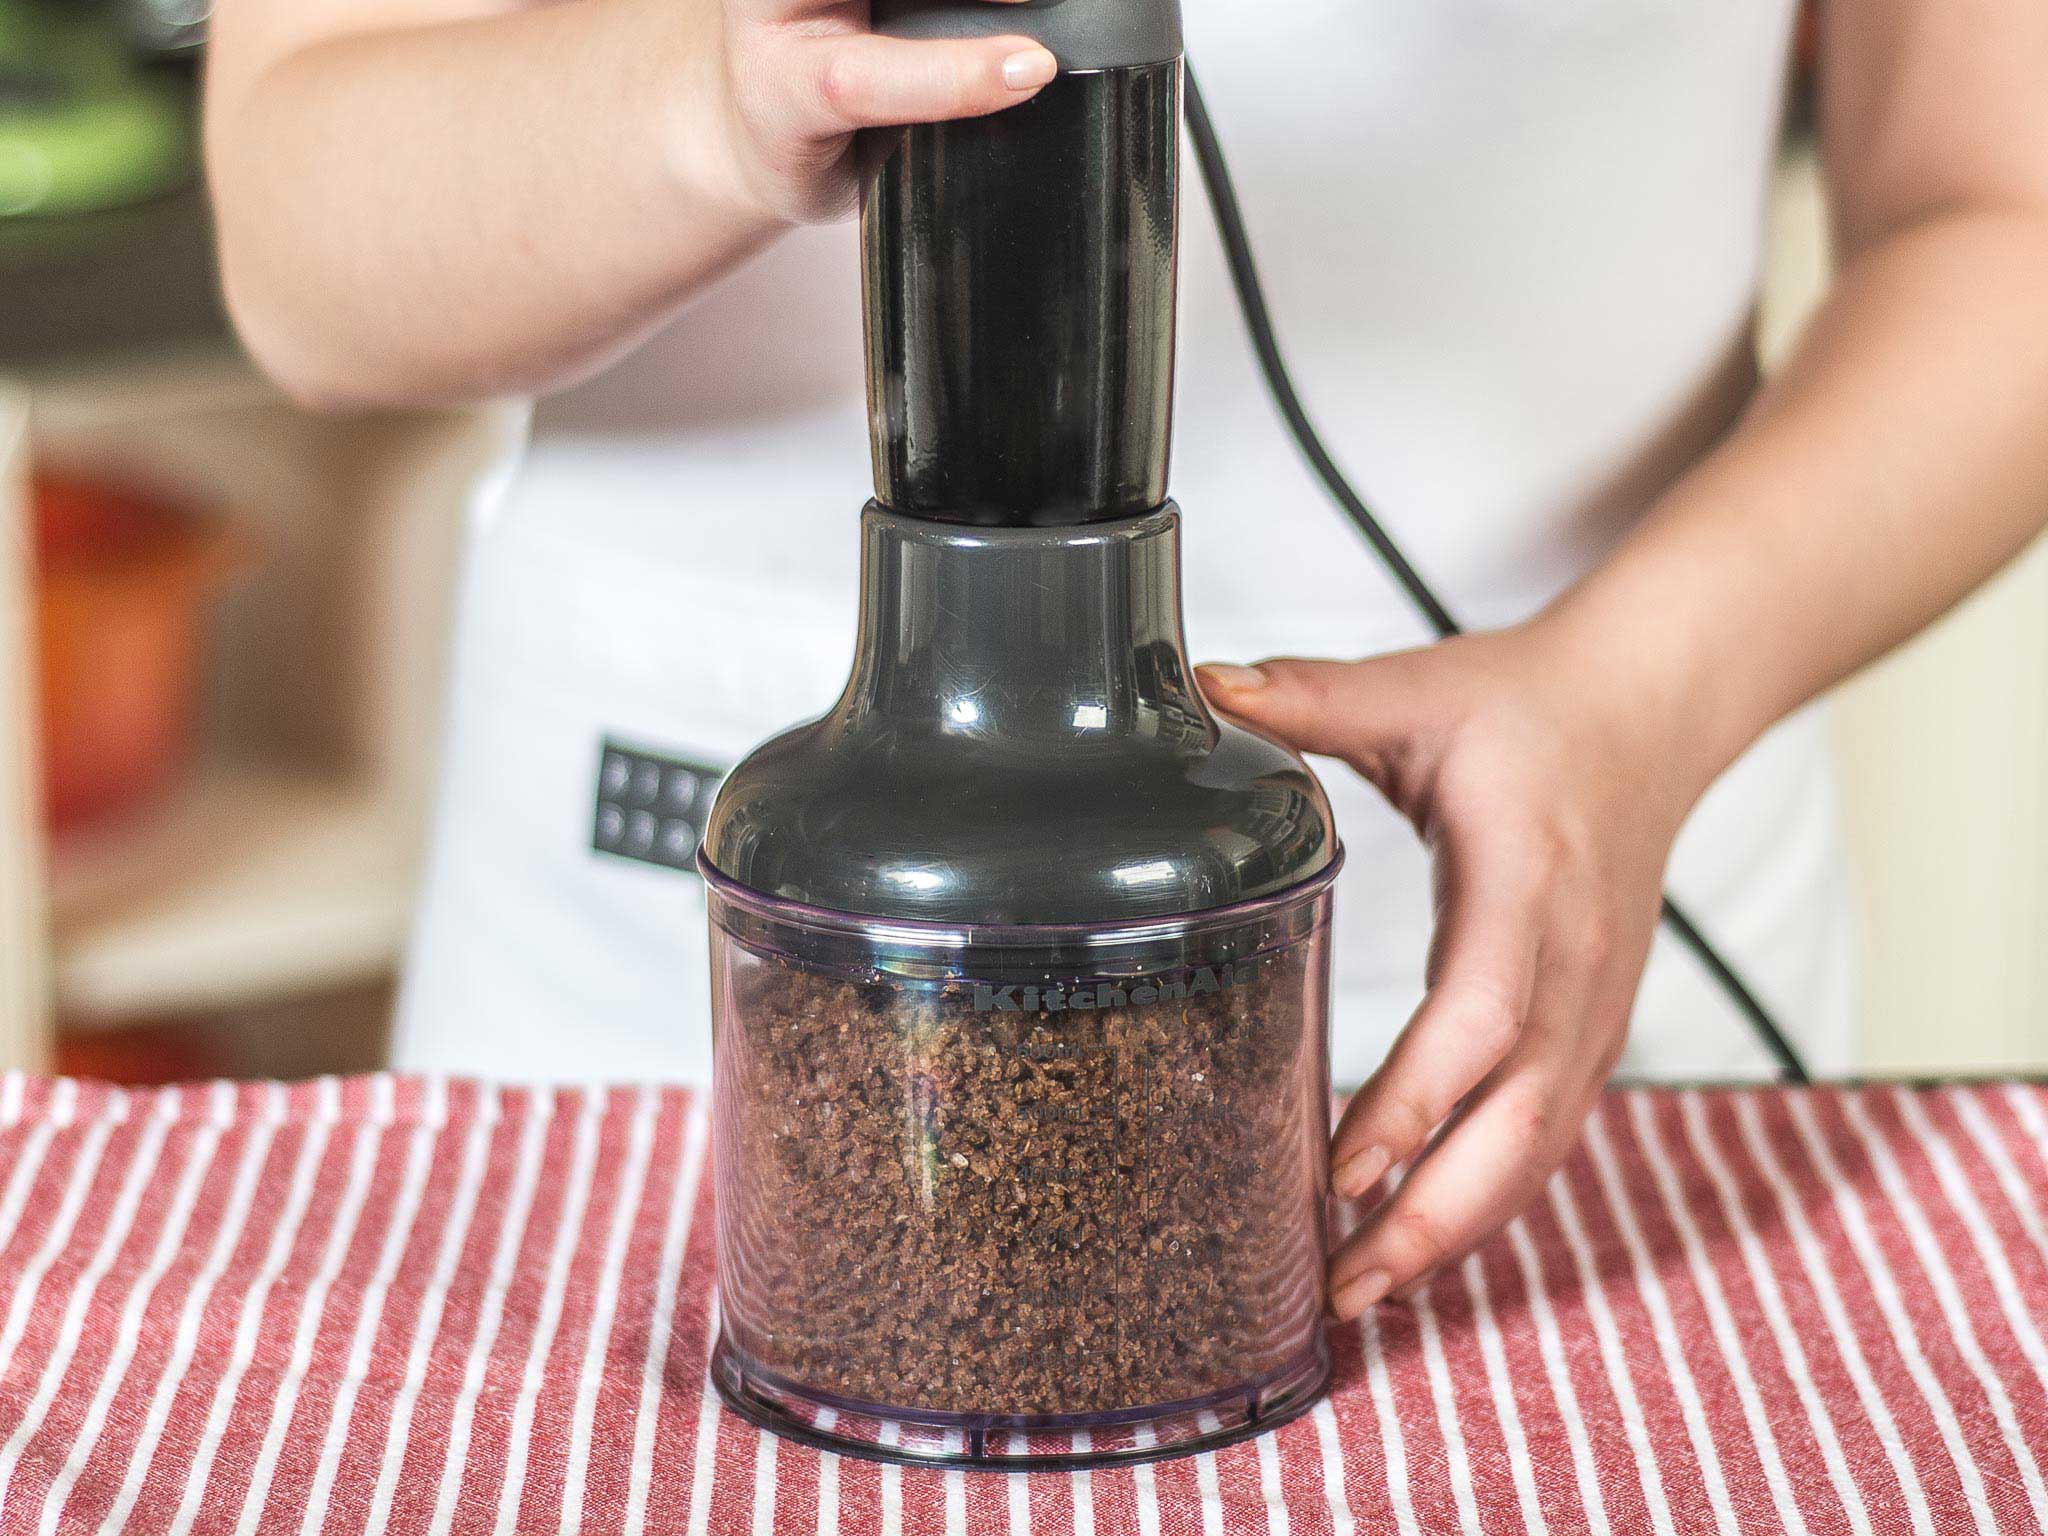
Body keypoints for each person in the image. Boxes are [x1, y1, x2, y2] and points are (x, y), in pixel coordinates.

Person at [204, 0, 2048, 1319]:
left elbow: (2003, 216)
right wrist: (707, 98)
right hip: (654, 1034)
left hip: (1565, 982)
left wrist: (1641, 696)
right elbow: (301, 239)